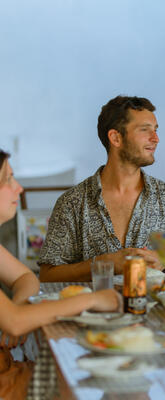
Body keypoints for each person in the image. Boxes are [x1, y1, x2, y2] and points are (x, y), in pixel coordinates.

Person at [0, 149, 122, 399]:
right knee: (85, 381)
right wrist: (92, 299)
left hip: (8, 367)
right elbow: (15, 322)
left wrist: (18, 306)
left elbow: (25, 278)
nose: (19, 188)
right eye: (8, 179)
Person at [39, 95, 165, 282]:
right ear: (115, 138)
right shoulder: (72, 203)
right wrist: (102, 264)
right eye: (145, 130)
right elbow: (47, 276)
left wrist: (164, 261)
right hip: (95, 302)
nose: (156, 139)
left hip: (156, 302)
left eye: (155, 130)